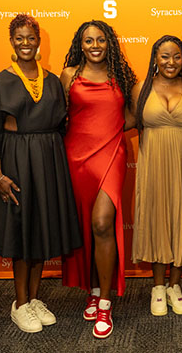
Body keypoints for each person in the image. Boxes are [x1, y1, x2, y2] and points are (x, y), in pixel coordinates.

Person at [0, 14, 82, 333]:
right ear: (12, 41)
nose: (26, 43)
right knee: (22, 231)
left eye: (31, 38)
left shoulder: (52, 80)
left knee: (41, 230)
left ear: (39, 41)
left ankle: (35, 299)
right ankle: (20, 304)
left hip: (48, 159)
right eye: (19, 38)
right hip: (15, 159)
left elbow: (63, 122)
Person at [60, 20, 137, 339]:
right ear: (80, 43)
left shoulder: (121, 75)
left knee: (104, 223)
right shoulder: (69, 74)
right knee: (84, 225)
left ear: (110, 44)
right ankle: (92, 288)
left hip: (111, 153)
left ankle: (105, 301)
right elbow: (59, 113)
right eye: (88, 40)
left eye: (101, 40)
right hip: (75, 155)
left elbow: (134, 113)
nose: (94, 45)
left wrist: (112, 133)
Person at [131, 35, 182, 316]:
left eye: (176, 56)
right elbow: (123, 121)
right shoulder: (141, 88)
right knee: (157, 220)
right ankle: (158, 287)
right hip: (152, 165)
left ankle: (175, 286)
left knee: (180, 221)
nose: (171, 62)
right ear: (155, 59)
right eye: (164, 56)